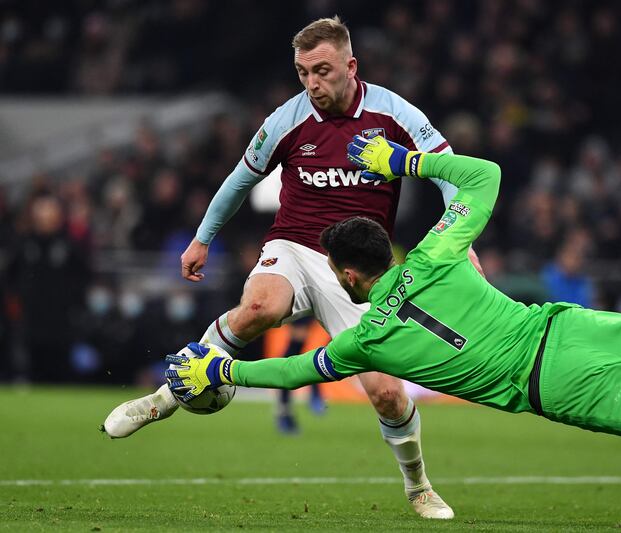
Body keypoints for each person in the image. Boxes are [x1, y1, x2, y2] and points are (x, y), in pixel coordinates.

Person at [167, 135, 621, 500]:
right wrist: (403, 163)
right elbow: (485, 175)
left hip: (557, 383)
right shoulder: (439, 251)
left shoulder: (367, 342)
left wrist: (222, 370)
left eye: (334, 269)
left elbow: (295, 372)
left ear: (349, 274)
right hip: (566, 326)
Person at [103, 17, 483, 519]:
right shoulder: (287, 119)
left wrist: (463, 239)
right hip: (296, 245)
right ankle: (162, 399)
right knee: (261, 306)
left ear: (351, 66)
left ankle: (418, 487)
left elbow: (452, 175)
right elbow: (239, 181)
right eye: (303, 72)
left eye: (322, 71)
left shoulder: (395, 113)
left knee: (389, 394)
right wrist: (202, 238)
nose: (312, 83)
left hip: (361, 270)